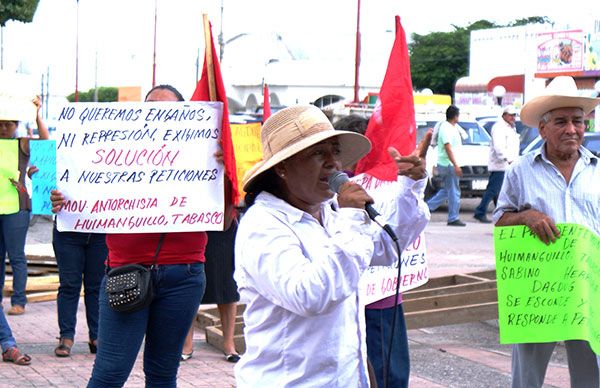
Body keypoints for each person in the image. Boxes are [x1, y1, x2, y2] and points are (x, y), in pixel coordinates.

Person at [234, 105, 429, 387]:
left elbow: (385, 247)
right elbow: (310, 295)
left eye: (335, 151)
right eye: (317, 153)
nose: (333, 163)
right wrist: (352, 217)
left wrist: (411, 186)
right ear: (282, 168)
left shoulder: (331, 212)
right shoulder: (262, 225)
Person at [51, 84, 212, 387]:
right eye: (150, 108)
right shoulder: (118, 153)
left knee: (163, 374)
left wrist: (222, 171)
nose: (159, 116)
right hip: (126, 272)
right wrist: (64, 200)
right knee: (109, 374)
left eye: (170, 111)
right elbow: (83, 190)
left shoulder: (202, 156)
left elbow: (227, 216)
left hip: (184, 274)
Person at [493, 76, 600, 388]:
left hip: (588, 291)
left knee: (591, 375)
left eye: (578, 121)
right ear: (542, 128)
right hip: (538, 293)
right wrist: (527, 215)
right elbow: (500, 221)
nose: (571, 129)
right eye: (561, 121)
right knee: (526, 377)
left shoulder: (597, 172)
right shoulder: (520, 170)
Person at [332, 114, 431, 388]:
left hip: (381, 299)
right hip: (345, 306)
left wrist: (413, 184)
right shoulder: (330, 192)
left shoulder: (384, 184)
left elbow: (393, 239)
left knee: (390, 377)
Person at [0, 96, 50, 316]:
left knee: (17, 256)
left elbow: (45, 141)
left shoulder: (21, 143)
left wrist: (37, 114)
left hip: (17, 207)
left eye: (8, 124)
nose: (3, 127)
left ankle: (19, 300)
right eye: (0, 123)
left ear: (16, 125)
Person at [181, 222, 241, 363]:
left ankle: (229, 345)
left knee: (227, 283)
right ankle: (187, 344)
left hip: (223, 223)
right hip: (192, 222)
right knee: (190, 283)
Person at [52, 227, 107, 356]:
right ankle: (66, 336)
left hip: (100, 230)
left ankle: (96, 335)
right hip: (68, 230)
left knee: (97, 287)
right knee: (69, 285)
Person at [473, 105, 520, 223]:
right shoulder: (499, 127)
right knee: (493, 190)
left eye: (514, 115)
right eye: (510, 115)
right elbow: (499, 146)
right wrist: (507, 158)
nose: (513, 117)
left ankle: (500, 213)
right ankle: (480, 211)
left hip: (508, 164)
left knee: (499, 191)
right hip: (501, 165)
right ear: (504, 115)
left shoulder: (511, 128)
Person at [426, 105, 466, 226]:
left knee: (447, 190)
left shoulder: (452, 127)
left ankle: (426, 208)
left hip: (449, 163)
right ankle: (453, 217)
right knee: (454, 191)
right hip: (448, 164)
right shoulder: (446, 128)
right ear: (455, 116)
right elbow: (448, 147)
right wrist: (455, 165)